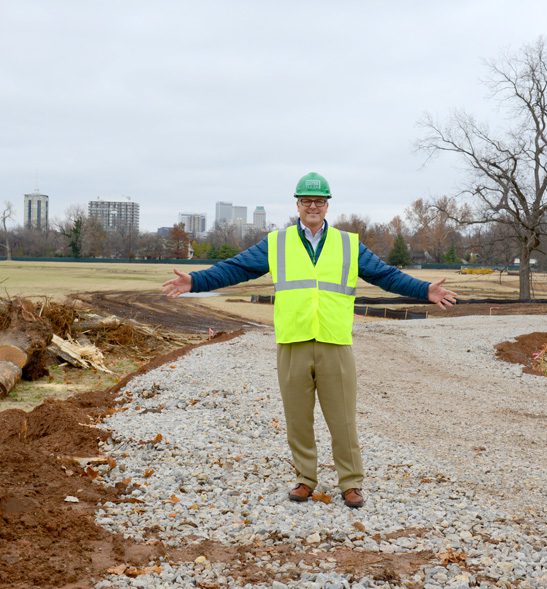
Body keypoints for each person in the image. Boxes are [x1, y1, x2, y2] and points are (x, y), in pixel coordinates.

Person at [162, 172, 457, 508]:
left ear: (327, 205)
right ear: (298, 205)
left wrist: (424, 290)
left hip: (334, 341)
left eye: (319, 201)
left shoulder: (348, 244)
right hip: (293, 341)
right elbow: (236, 268)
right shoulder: (277, 242)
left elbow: (385, 275)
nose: (313, 206)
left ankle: (350, 483)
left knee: (342, 419)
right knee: (297, 418)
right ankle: (305, 478)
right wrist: (196, 282)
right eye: (307, 200)